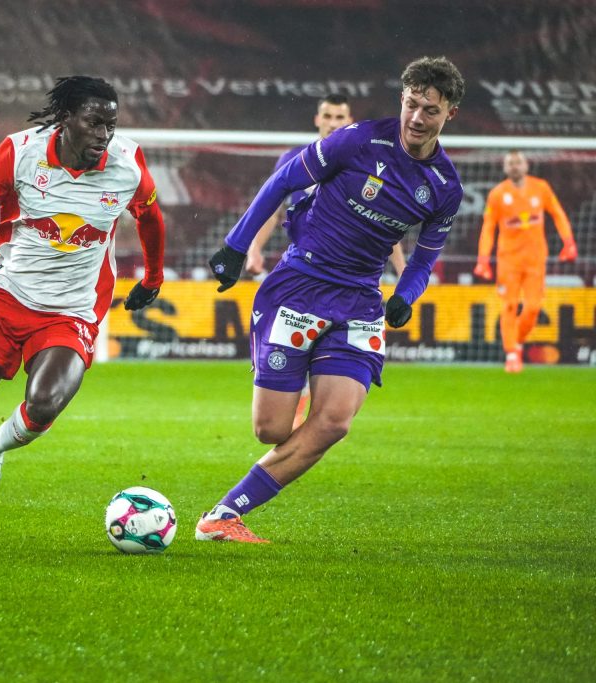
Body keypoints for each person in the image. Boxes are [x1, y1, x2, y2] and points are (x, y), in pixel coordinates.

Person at [200, 56, 465, 544]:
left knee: (333, 423)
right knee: (271, 430)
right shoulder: (359, 140)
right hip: (300, 285)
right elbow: (283, 181)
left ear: (450, 113)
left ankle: (223, 515)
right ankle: (294, 390)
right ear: (401, 99)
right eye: (411, 104)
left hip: (360, 301)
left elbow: (425, 259)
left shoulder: (445, 187)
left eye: (430, 110)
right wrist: (236, 247)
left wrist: (405, 296)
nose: (416, 118)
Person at [0, 76, 166, 548]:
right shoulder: (20, 152)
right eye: (94, 123)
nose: (104, 134)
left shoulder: (127, 165)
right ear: (65, 119)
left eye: (110, 125)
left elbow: (150, 218)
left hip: (72, 310)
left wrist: (152, 278)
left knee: (45, 404)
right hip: (6, 299)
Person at [245, 94, 406, 429]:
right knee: (273, 416)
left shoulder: (365, 161)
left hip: (351, 282)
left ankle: (319, 419)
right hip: (302, 275)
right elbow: (274, 211)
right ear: (317, 120)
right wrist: (253, 248)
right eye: (328, 116)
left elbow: (383, 226)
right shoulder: (295, 159)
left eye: (340, 117)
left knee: (331, 372)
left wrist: (403, 272)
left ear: (350, 122)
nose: (333, 123)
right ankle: (296, 409)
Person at [473, 150, 577, 373]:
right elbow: (488, 228)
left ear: (526, 165)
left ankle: (517, 342)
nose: (514, 166)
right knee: (509, 306)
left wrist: (569, 242)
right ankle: (511, 353)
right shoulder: (497, 194)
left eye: (518, 162)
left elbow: (558, 213)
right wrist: (483, 260)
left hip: (535, 260)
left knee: (533, 308)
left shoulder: (541, 188)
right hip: (508, 261)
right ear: (505, 168)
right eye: (510, 163)